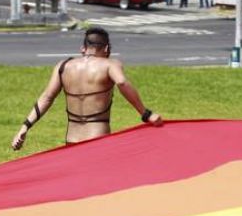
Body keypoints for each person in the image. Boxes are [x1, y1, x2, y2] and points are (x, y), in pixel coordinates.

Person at [11, 27, 163, 149]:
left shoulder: (63, 66)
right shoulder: (109, 64)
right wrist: (146, 114)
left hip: (71, 140)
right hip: (97, 139)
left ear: (83, 48)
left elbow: (47, 97)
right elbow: (122, 82)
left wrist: (25, 126)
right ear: (106, 48)